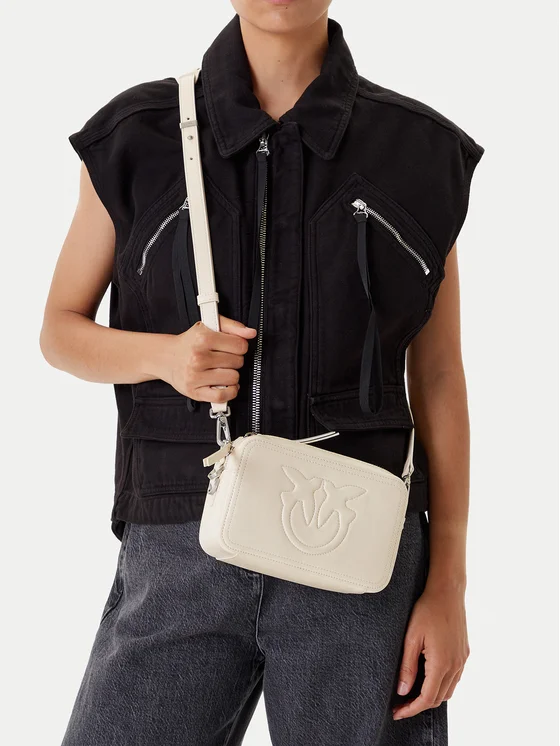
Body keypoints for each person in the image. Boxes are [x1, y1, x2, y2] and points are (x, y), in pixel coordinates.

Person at [40, 2, 484, 744]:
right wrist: (165, 357)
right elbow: (60, 329)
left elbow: (438, 376)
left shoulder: (419, 152)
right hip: (178, 543)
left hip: (360, 557)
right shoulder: (137, 136)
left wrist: (448, 585)